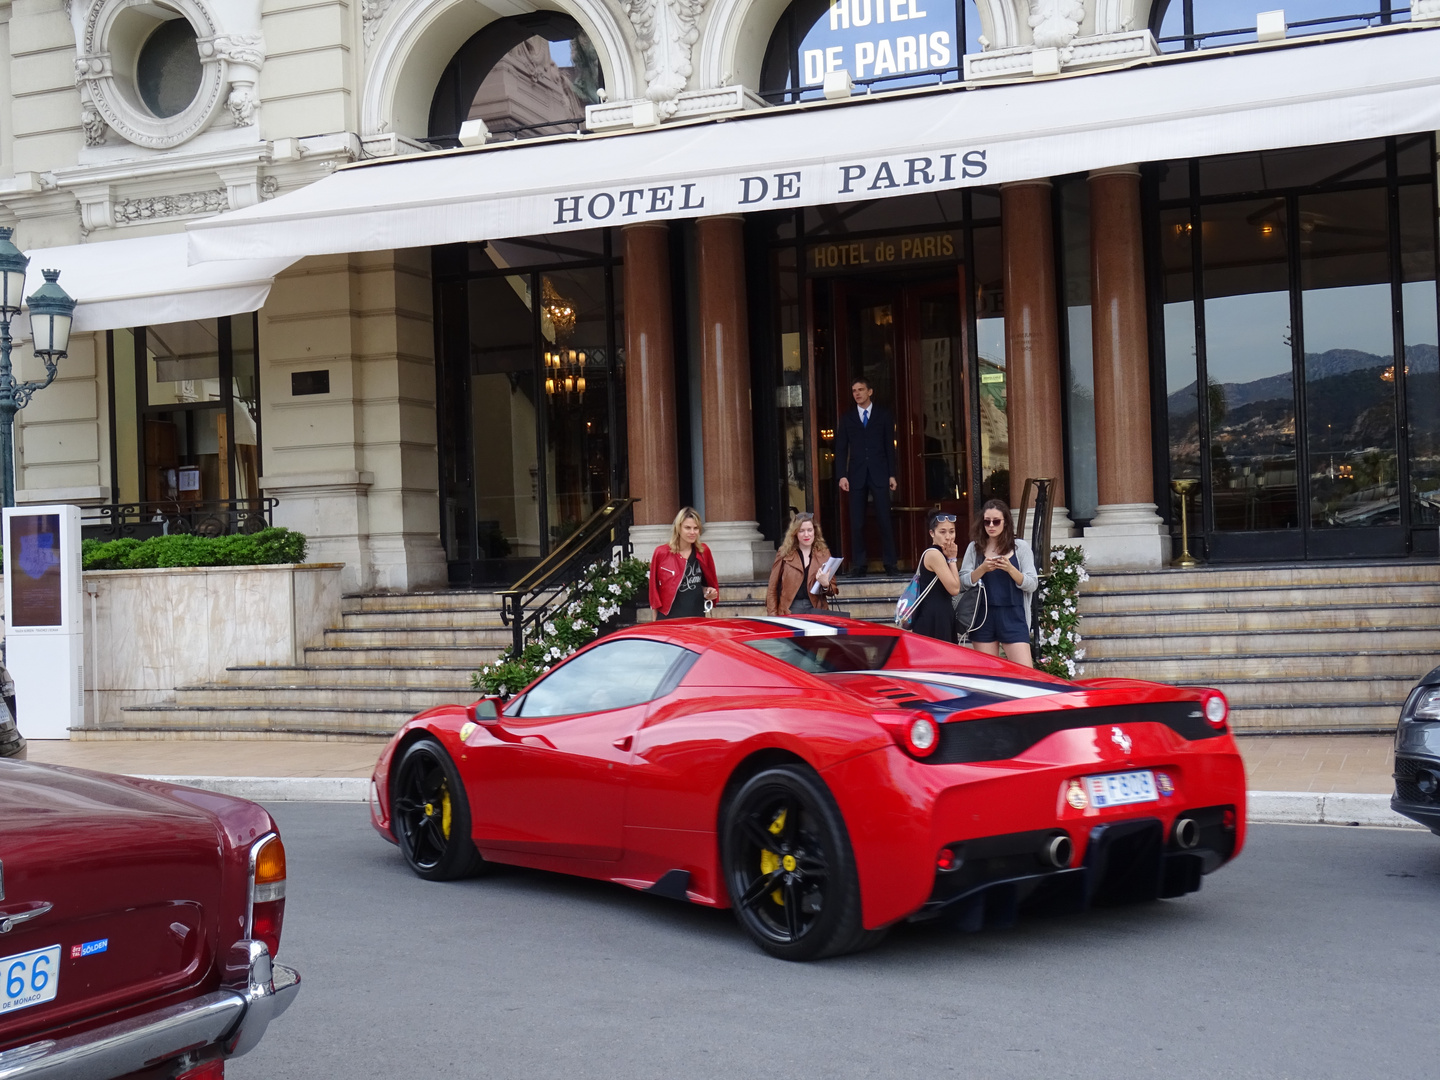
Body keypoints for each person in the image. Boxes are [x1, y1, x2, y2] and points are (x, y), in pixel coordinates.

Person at [959, 499, 1039, 667]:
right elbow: (962, 582)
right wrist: (982, 569)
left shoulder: (1020, 547)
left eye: (996, 521)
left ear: (1006, 522)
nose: (991, 526)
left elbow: (1032, 583)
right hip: (982, 616)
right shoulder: (975, 547)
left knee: (1026, 673)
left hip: (1013, 614)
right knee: (989, 675)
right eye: (987, 521)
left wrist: (1010, 569)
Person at [833, 376, 898, 576]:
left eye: (861, 390)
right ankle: (859, 564)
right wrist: (842, 475)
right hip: (856, 476)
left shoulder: (883, 415)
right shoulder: (847, 418)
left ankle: (890, 563)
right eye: (854, 391)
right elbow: (841, 449)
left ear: (870, 392)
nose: (857, 394)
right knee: (857, 521)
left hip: (879, 474)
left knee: (884, 519)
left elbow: (890, 447)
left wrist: (892, 475)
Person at [648, 506, 719, 619]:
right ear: (678, 528)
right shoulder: (661, 553)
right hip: (669, 617)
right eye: (687, 528)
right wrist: (655, 624)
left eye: (696, 528)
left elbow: (706, 584)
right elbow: (654, 592)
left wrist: (709, 592)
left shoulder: (703, 551)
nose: (692, 532)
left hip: (696, 616)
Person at [765, 513, 839, 616]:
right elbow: (772, 588)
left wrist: (825, 584)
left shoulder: (824, 554)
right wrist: (773, 617)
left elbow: (832, 591)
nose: (806, 535)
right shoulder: (784, 553)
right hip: (790, 609)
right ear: (795, 533)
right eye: (801, 531)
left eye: (809, 530)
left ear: (815, 531)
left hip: (816, 609)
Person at [908, 511, 963, 643]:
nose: (948, 537)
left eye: (952, 531)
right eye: (942, 532)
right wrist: (953, 559)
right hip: (934, 617)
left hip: (941, 614)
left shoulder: (943, 553)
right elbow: (954, 589)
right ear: (932, 533)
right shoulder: (934, 554)